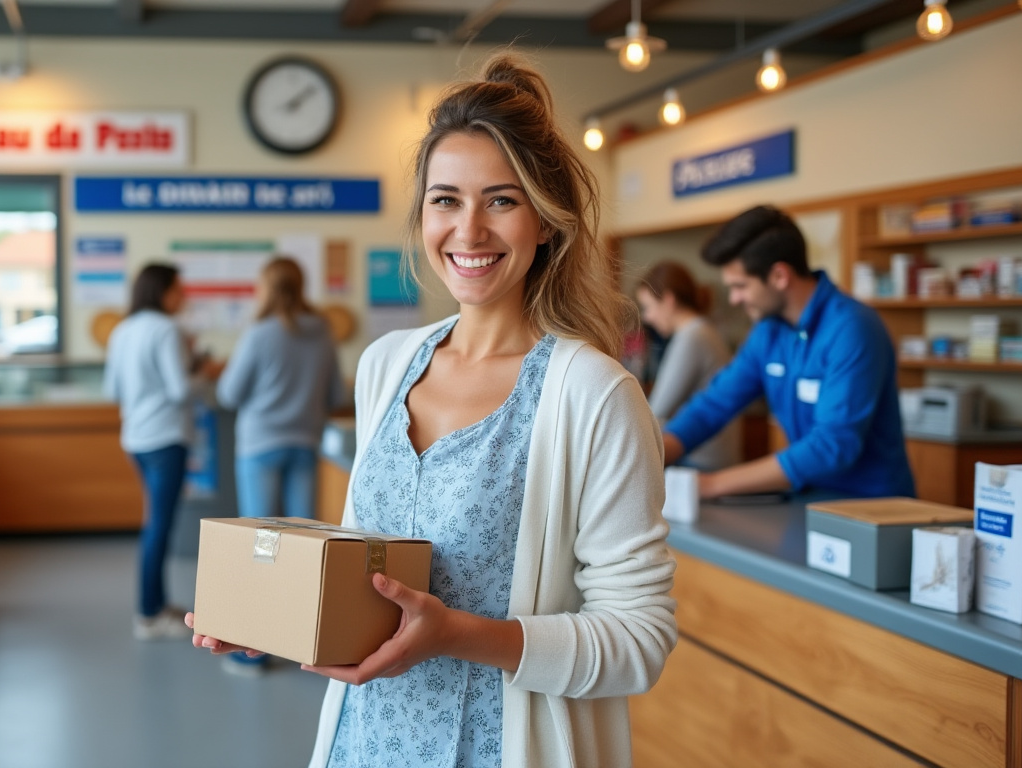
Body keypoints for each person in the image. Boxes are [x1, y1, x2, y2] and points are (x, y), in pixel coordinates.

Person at [190, 54, 676, 767]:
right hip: (368, 741)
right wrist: (282, 615)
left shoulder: (594, 394)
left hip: (504, 746)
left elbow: (639, 640)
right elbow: (364, 575)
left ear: (545, 221)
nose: (469, 230)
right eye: (446, 200)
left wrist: (456, 634)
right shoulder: (388, 365)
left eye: (502, 201)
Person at [662, 205, 916, 499]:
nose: (733, 299)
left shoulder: (852, 328)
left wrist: (708, 485)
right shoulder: (768, 333)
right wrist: (652, 457)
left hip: (871, 508)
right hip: (808, 498)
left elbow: (832, 445)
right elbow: (714, 405)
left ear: (780, 276)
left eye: (740, 286)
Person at [214, 256, 347, 674]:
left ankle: (251, 650)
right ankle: (302, 641)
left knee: (262, 546)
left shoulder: (259, 334)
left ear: (266, 288)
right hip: (304, 444)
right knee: (302, 546)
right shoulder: (323, 332)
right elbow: (335, 393)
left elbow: (229, 394)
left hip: (260, 448)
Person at [104, 263, 214, 641]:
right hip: (166, 438)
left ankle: (156, 602)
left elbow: (112, 390)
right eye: (178, 289)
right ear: (163, 291)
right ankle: (148, 615)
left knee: (156, 522)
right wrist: (203, 372)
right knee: (159, 526)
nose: (183, 296)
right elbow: (180, 391)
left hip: (135, 438)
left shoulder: (122, 330)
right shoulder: (167, 329)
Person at [635, 261, 741, 471]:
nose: (647, 317)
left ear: (668, 300)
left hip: (700, 461)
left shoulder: (692, 336)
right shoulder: (704, 330)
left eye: (648, 307)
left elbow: (657, 410)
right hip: (709, 457)